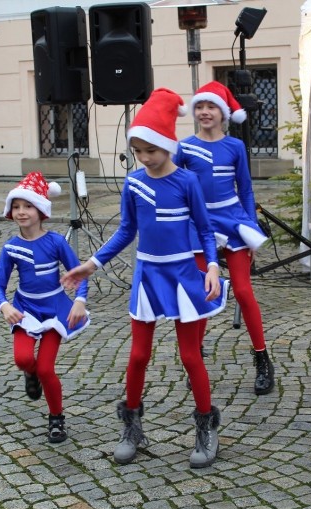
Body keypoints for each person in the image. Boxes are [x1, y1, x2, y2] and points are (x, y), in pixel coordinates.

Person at [61, 88, 228, 468]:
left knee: (190, 356)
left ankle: (206, 425)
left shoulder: (187, 182)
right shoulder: (135, 184)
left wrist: (214, 266)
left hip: (184, 274)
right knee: (138, 355)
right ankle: (131, 425)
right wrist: (93, 263)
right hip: (147, 275)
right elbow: (125, 231)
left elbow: (205, 230)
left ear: (167, 146)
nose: (145, 157)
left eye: (151, 149)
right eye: (138, 151)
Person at [173, 80, 274, 395]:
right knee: (202, 292)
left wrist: (252, 229)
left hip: (232, 220)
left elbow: (244, 189)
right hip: (199, 225)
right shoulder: (185, 147)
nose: (204, 112)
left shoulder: (235, 147)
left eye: (211, 107)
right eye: (200, 106)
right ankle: (196, 359)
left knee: (243, 291)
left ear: (224, 113)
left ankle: (262, 358)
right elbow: (175, 188)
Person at [0, 172, 90, 443]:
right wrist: (4, 306)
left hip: (56, 309)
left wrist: (80, 301)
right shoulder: (11, 247)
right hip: (26, 310)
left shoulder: (56, 242)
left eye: (28, 206)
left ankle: (56, 418)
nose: (21, 212)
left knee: (46, 368)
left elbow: (79, 273)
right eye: (16, 206)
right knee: (23, 359)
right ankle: (30, 373)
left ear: (41, 210)